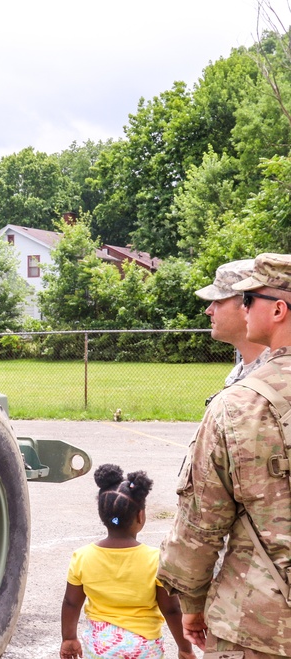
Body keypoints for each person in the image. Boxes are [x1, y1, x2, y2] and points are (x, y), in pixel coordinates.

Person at [159, 252, 291, 658]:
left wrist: (193, 606)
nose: (240, 306)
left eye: (247, 299)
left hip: (261, 623)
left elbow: (201, 522)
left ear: (278, 309)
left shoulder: (239, 405)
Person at [60, 464, 194, 659]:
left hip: (100, 645)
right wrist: (185, 649)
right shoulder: (155, 560)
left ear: (102, 516)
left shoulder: (82, 556)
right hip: (142, 647)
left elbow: (71, 603)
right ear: (140, 516)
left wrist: (69, 638)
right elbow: (172, 610)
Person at [195, 258, 269, 388]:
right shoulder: (239, 372)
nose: (208, 310)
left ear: (248, 306)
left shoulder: (276, 376)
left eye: (218, 301)